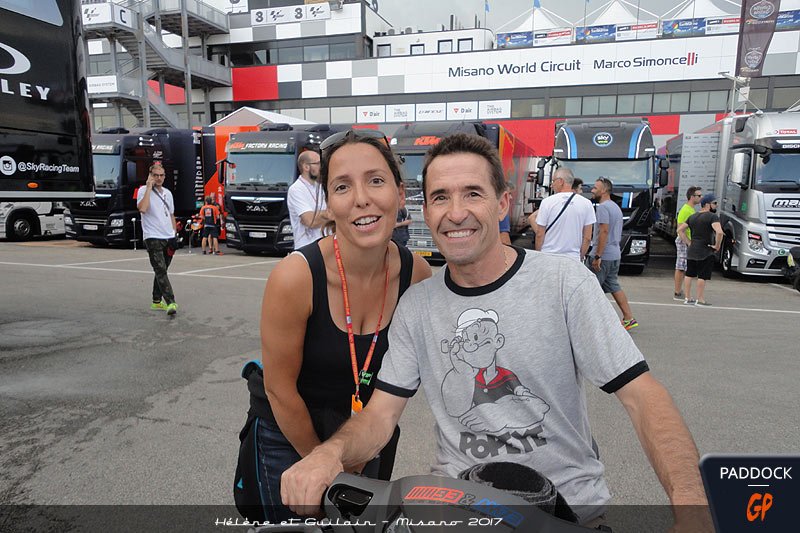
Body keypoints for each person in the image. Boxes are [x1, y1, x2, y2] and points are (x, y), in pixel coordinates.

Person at [280, 133, 709, 530]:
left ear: (503, 204)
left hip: (565, 513)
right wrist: (329, 453)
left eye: (473, 193)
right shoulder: (417, 305)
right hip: (456, 511)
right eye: (441, 197)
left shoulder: (564, 284)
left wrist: (692, 508)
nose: (456, 213)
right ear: (426, 211)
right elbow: (379, 415)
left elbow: (641, 396)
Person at [257, 129, 432, 522]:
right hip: (291, 434)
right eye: (342, 186)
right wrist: (326, 465)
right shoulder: (295, 277)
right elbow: (279, 390)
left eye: (376, 180)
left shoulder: (417, 275)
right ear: (329, 204)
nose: (361, 199)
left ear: (400, 194)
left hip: (369, 436)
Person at [590, 177, 638, 331]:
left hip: (603, 255)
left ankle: (595, 322)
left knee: (591, 289)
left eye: (595, 187)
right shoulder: (615, 207)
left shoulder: (603, 207)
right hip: (614, 254)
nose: (592, 190)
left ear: (604, 190)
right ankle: (628, 318)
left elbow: (603, 231)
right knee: (613, 285)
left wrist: (598, 255)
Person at [136, 162, 178, 316]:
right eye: (155, 175)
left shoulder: (168, 193)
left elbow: (171, 214)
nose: (158, 178)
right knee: (160, 269)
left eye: (161, 175)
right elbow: (143, 208)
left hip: (168, 235)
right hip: (152, 236)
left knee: (162, 269)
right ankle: (171, 301)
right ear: (150, 176)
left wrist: (174, 234)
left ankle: (156, 300)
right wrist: (148, 187)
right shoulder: (143, 190)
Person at [534, 167, 595, 262]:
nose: (551, 185)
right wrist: (580, 257)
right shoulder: (586, 203)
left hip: (549, 257)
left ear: (561, 181)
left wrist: (539, 255)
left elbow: (539, 234)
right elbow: (587, 238)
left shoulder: (547, 202)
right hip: (572, 259)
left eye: (553, 181)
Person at [678, 193, 723, 306]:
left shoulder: (693, 216)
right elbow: (719, 232)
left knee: (689, 274)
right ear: (707, 204)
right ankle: (700, 299)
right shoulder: (713, 217)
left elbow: (680, 230)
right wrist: (717, 245)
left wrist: (689, 242)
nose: (716, 205)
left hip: (692, 250)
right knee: (702, 276)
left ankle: (688, 298)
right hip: (705, 250)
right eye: (714, 203)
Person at [287, 149, 331, 249]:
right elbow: (310, 221)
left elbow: (334, 216)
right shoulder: (296, 189)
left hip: (324, 245)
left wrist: (321, 216)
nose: (321, 167)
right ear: (306, 167)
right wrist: (328, 214)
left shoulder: (320, 187)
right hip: (306, 247)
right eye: (318, 163)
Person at [673, 186, 702, 300]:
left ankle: (679, 290)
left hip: (687, 240)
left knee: (684, 266)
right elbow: (680, 229)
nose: (700, 197)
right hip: (683, 241)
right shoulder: (686, 210)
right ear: (691, 197)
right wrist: (688, 242)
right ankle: (677, 292)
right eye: (698, 195)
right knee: (680, 267)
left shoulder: (691, 210)